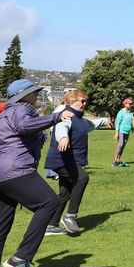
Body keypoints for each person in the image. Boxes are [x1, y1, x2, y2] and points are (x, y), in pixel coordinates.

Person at [0, 79, 73, 267]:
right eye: (34, 93)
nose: (37, 96)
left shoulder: (4, 115)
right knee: (49, 202)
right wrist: (56, 117)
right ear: (23, 95)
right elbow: (24, 126)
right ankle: (20, 259)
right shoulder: (21, 109)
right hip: (16, 171)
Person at [45, 90, 110, 235]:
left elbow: (90, 125)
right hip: (62, 160)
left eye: (85, 100)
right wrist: (63, 138)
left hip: (70, 160)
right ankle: (70, 216)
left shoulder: (80, 119)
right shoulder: (67, 115)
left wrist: (105, 120)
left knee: (65, 193)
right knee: (82, 178)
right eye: (81, 100)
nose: (84, 103)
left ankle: (50, 225)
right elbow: (62, 126)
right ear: (69, 102)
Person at [113, 98, 134, 167]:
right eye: (129, 103)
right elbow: (117, 123)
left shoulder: (131, 113)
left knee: (123, 146)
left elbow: (130, 123)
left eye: (131, 104)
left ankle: (118, 160)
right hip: (121, 131)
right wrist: (116, 132)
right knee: (120, 144)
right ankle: (115, 160)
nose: (130, 105)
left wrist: (133, 131)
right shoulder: (121, 112)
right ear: (125, 104)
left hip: (127, 131)